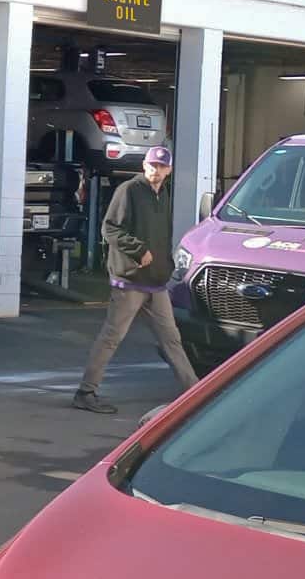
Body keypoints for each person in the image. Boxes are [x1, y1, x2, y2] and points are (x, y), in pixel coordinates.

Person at [73, 146, 198, 414]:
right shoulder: (129, 190)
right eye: (153, 165)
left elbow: (162, 235)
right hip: (129, 281)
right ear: (144, 165)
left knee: (172, 339)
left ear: (170, 170)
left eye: (162, 166)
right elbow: (110, 228)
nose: (156, 170)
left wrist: (166, 264)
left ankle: (195, 392)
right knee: (111, 337)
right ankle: (86, 392)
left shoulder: (162, 194)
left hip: (156, 283)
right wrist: (138, 250)